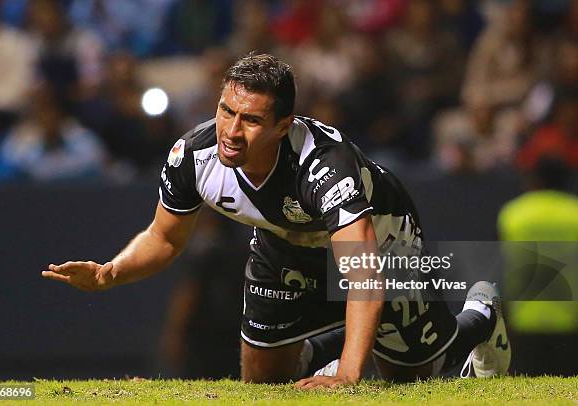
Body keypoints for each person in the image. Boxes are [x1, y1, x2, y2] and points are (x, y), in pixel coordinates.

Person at [42, 53, 510, 387]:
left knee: (410, 378)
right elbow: (163, 237)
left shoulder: (324, 166)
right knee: (264, 379)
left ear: (283, 125)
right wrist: (110, 272)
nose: (230, 130)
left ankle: (480, 317)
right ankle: (333, 347)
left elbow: (363, 275)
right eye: (226, 110)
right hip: (283, 242)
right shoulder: (194, 154)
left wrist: (349, 376)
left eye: (249, 120)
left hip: (380, 243)